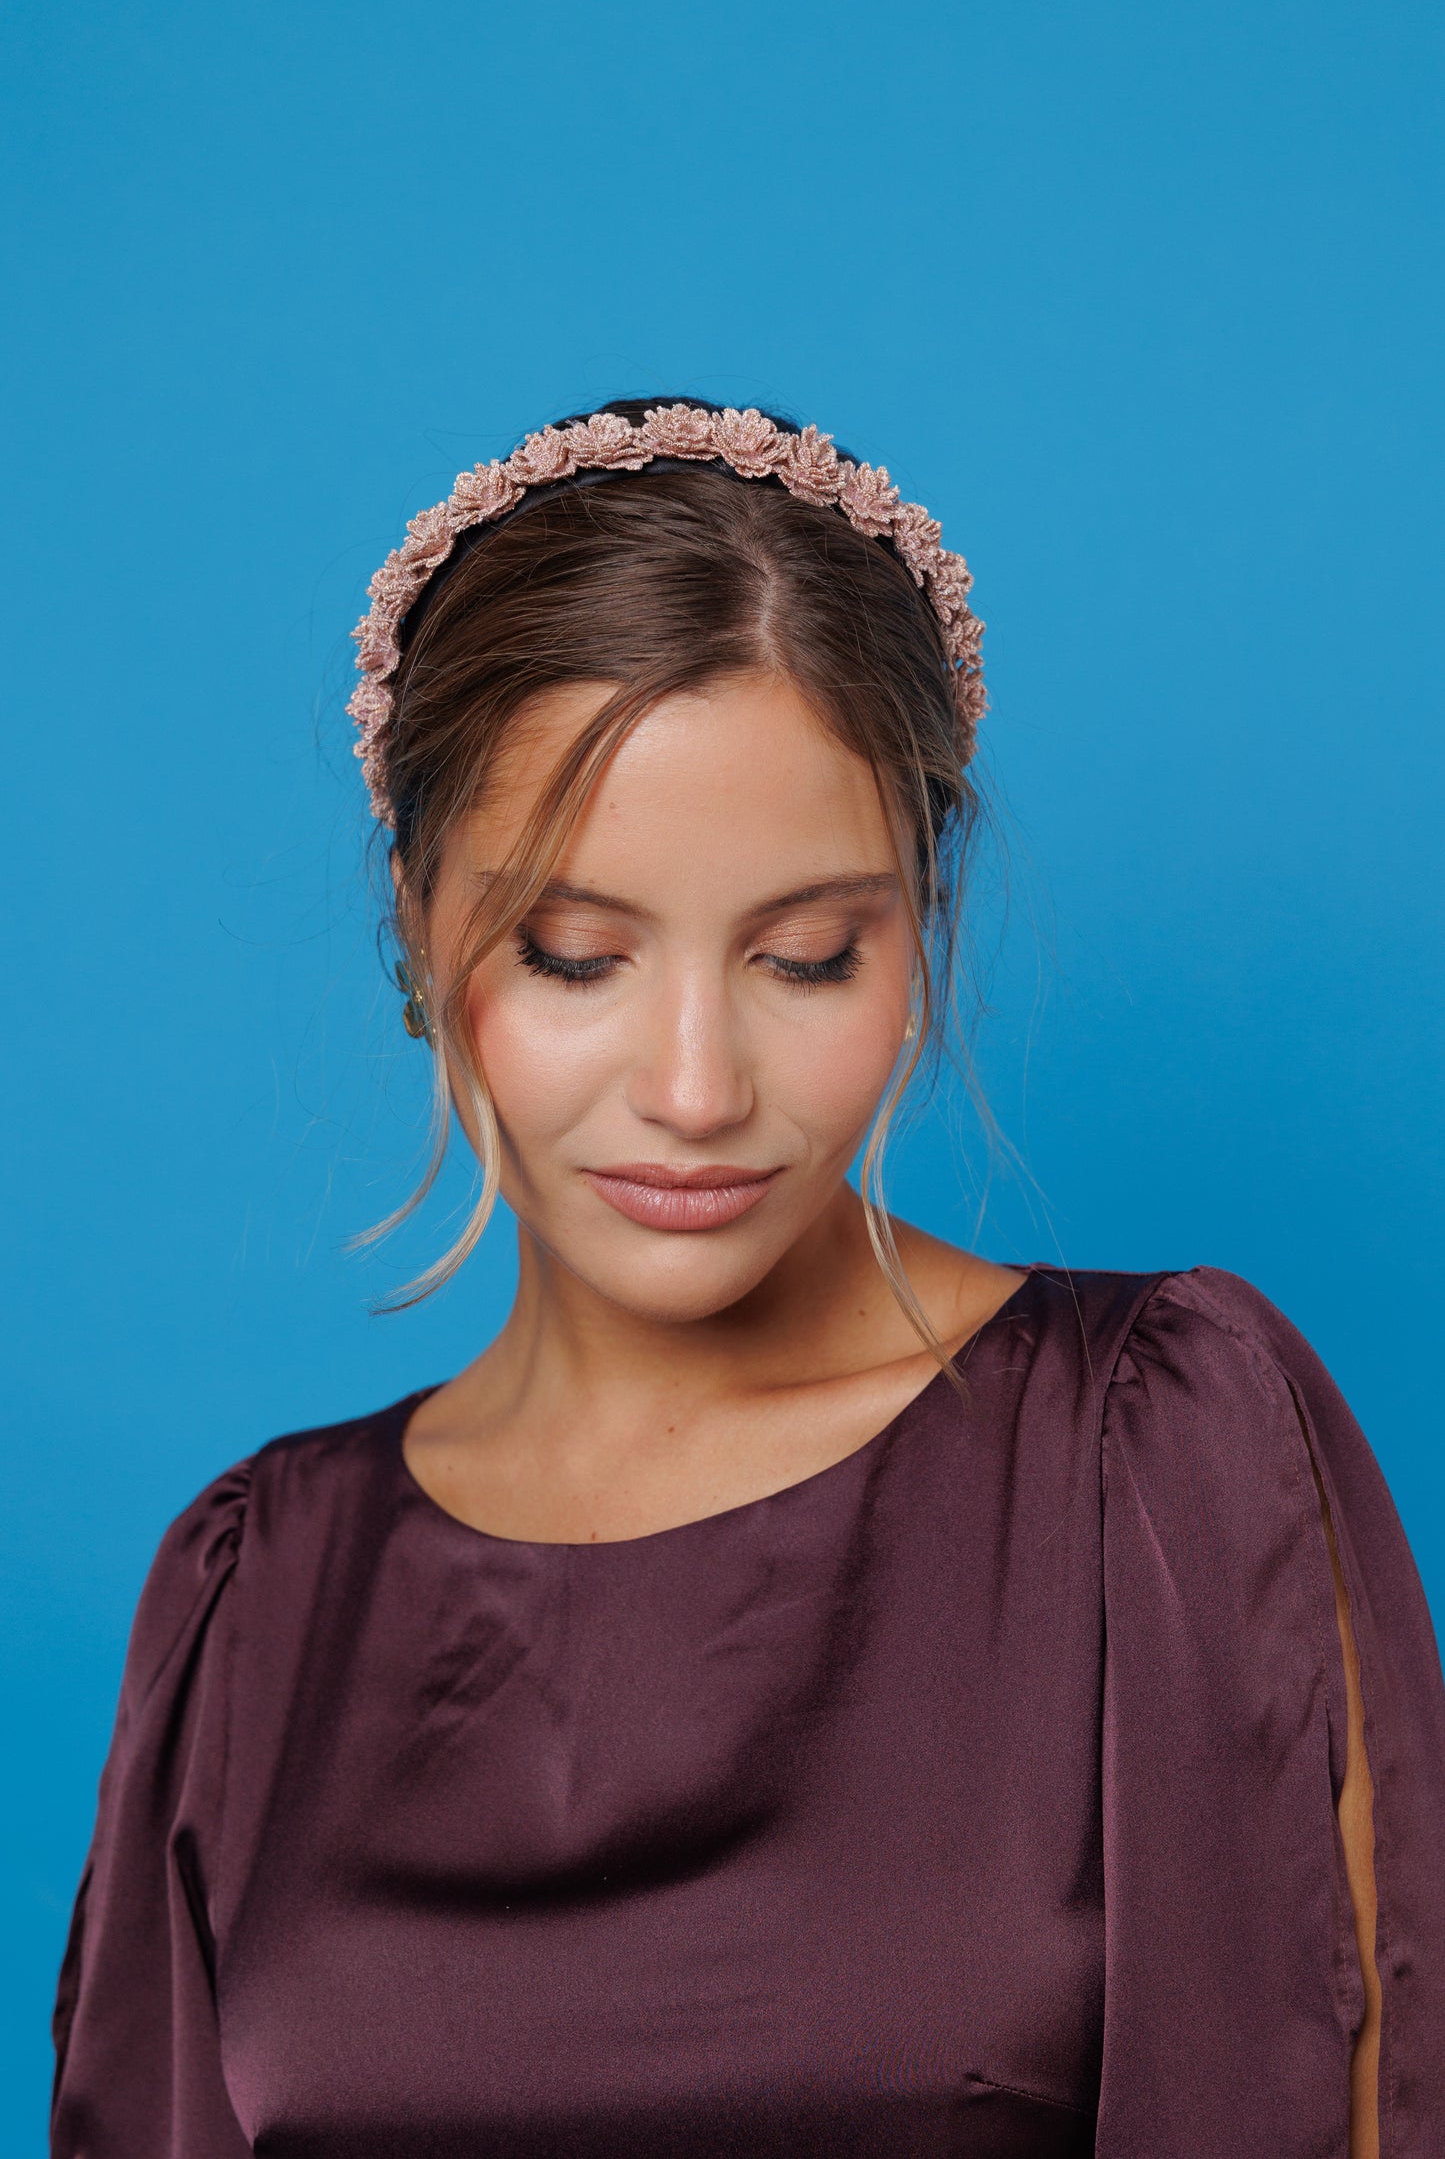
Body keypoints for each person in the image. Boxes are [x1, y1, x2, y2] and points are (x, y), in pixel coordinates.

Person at [52, 398, 1444, 2157]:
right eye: (574, 956)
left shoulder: (1150, 1457)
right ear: (416, 928)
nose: (697, 1090)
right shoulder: (256, 1599)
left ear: (919, 934)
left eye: (805, 956)